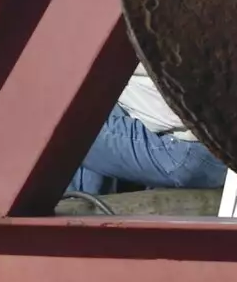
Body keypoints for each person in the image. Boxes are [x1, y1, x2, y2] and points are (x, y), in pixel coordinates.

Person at [67, 63, 227, 196]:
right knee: (90, 103)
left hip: (188, 153)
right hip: (224, 151)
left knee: (62, 127)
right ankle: (84, 209)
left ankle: (75, 218)